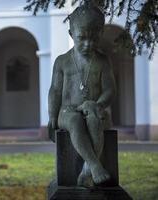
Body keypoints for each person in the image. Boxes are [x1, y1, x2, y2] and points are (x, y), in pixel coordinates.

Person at [48, 2, 116, 187]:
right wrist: (52, 116)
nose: (88, 44)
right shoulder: (62, 62)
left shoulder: (102, 61)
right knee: (75, 121)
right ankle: (95, 165)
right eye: (82, 38)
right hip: (67, 112)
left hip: (95, 109)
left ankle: (87, 170)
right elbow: (54, 90)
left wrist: (98, 104)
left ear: (101, 34)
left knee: (94, 119)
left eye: (93, 39)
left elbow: (110, 90)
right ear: (71, 34)